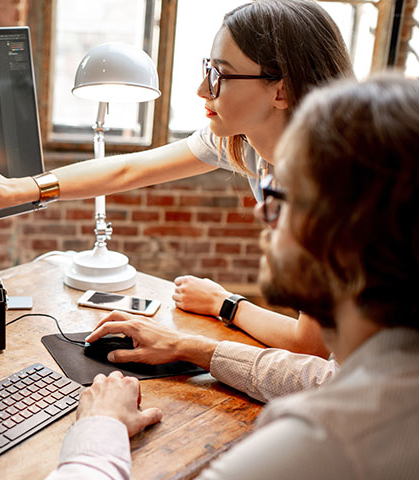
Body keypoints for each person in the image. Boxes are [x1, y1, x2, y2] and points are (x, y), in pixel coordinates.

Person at [46, 73, 419, 480]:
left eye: (282, 196)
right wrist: (189, 347)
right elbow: (322, 378)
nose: (262, 213)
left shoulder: (325, 440)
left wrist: (100, 428)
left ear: (345, 233)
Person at [0, 0, 350, 358]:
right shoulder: (245, 142)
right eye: (208, 68)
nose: (203, 89)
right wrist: (18, 189)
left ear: (281, 91)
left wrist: (224, 305)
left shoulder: (329, 184)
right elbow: (129, 169)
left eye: (220, 74)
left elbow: (310, 346)